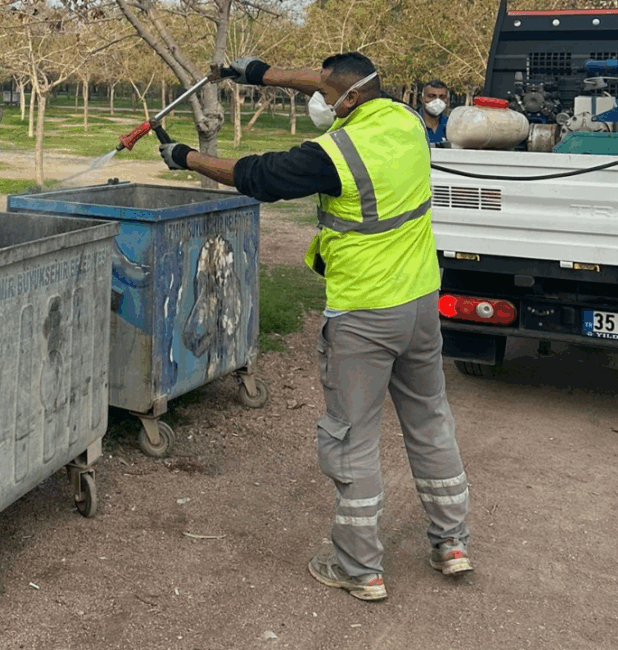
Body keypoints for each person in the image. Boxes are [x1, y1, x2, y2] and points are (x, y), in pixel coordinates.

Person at [158, 52, 471, 601]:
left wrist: (184, 156)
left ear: (348, 99)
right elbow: (326, 79)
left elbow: (254, 175)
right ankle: (452, 544)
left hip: (364, 313)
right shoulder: (405, 120)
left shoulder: (334, 154)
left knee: (352, 437)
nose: (319, 100)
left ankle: (359, 567)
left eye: (327, 95)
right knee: (429, 422)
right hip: (421, 304)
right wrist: (254, 73)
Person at [420, 79, 451, 146]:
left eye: (442, 97)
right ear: (422, 99)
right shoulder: (411, 123)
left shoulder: (451, 126)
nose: (437, 101)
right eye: (431, 96)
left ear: (447, 100)